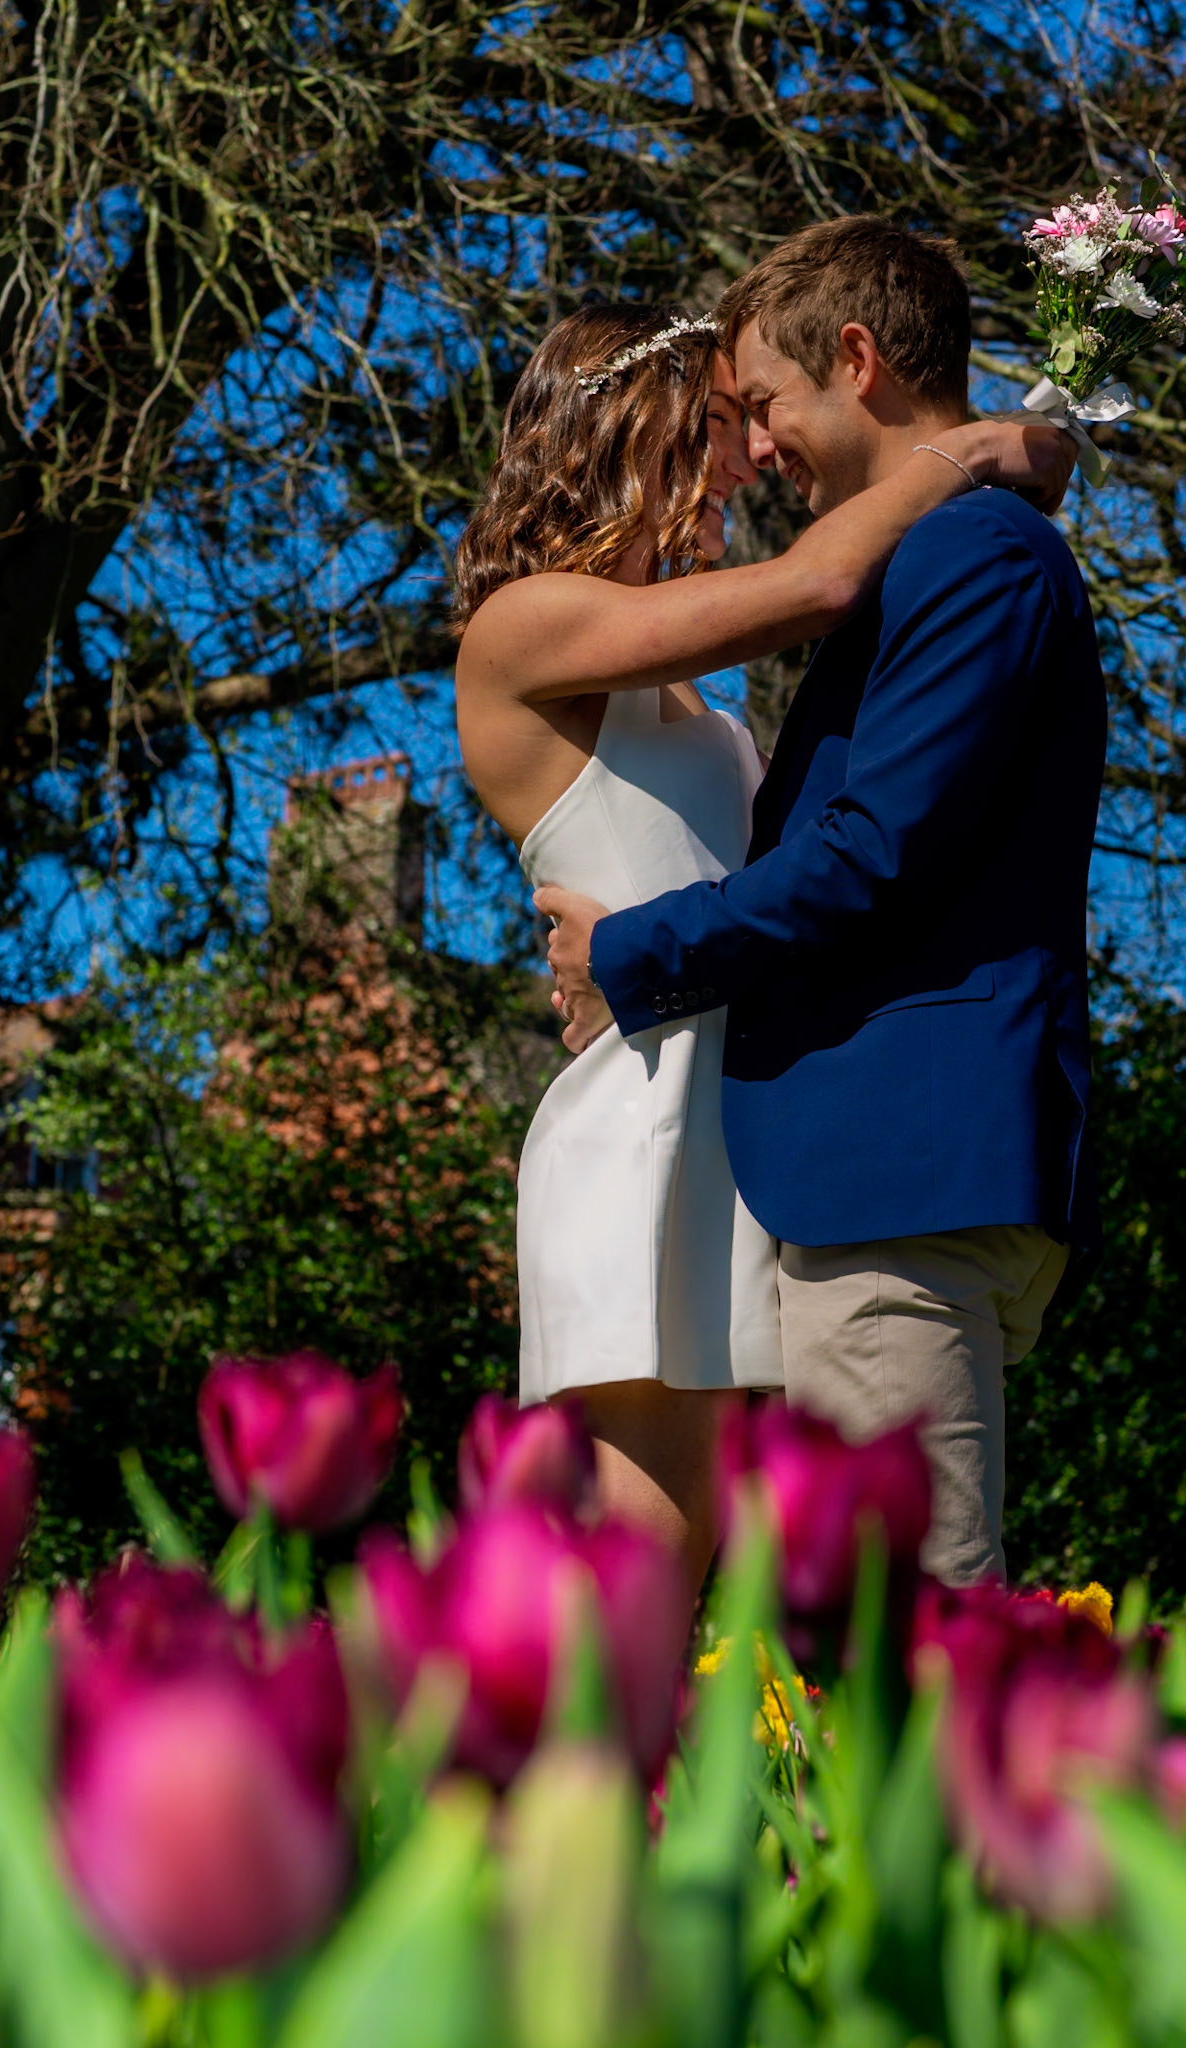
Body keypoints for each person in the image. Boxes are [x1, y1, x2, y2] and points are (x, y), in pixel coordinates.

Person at [453, 298, 1073, 1590]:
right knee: (646, 1587)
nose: (749, 460)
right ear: (635, 433)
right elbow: (821, 583)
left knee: (772, 1593)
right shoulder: (523, 626)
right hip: (642, 1131)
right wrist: (965, 455)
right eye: (720, 429)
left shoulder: (695, 689)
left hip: (752, 1134)